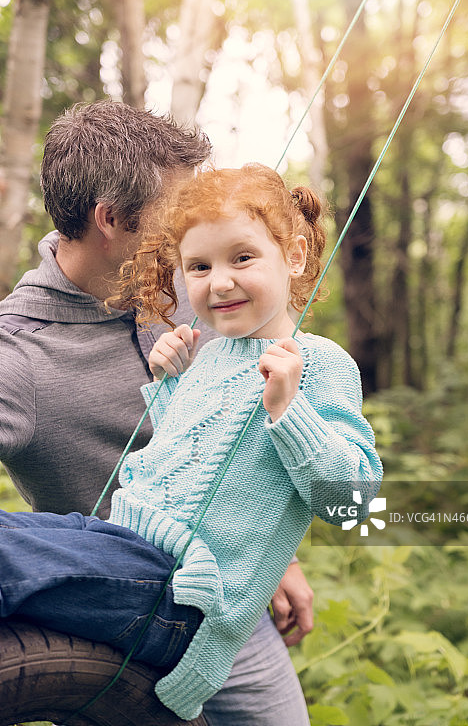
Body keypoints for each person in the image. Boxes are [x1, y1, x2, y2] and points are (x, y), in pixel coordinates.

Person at [0, 163, 382, 721]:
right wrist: (168, 387)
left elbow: (353, 500)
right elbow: (190, 462)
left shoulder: (319, 363)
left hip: (183, 590)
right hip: (124, 544)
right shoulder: (211, 351)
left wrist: (288, 408)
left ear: (294, 256)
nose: (218, 281)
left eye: (242, 257)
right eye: (198, 266)